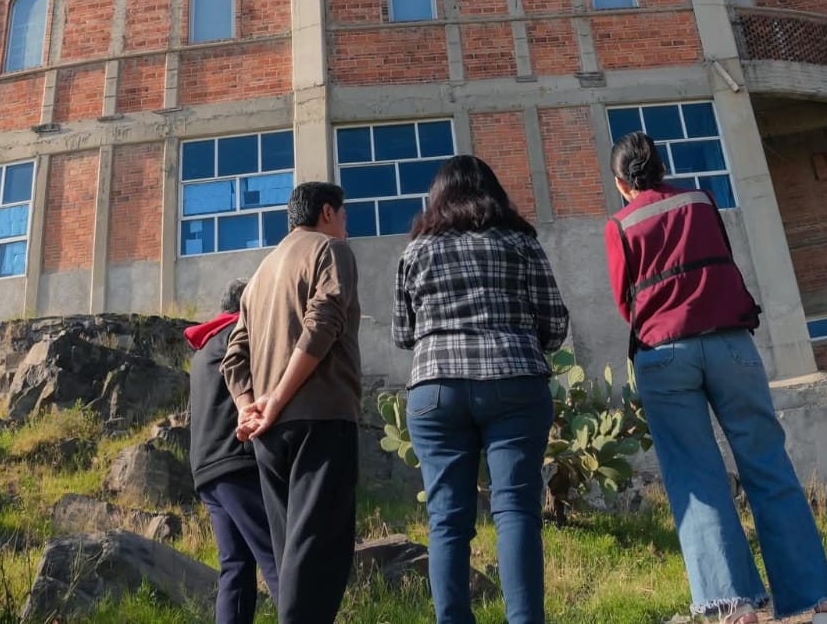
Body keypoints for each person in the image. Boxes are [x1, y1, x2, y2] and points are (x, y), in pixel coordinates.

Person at [605, 131, 827, 624]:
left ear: (620, 182)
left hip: (663, 353)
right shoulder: (701, 200)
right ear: (661, 168)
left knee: (696, 479)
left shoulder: (619, 224)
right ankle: (820, 603)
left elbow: (624, 300)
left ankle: (734, 608)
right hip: (729, 344)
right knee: (768, 467)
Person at [394, 155, 570, 624]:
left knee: (447, 520)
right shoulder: (520, 242)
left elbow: (403, 333)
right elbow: (554, 327)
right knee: (515, 511)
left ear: (436, 198)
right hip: (514, 381)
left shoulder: (415, 251)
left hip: (435, 391)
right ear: (494, 193)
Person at [221, 181, 362, 624]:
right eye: (342, 216)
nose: (344, 226)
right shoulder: (329, 250)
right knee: (320, 554)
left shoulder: (259, 274)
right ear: (326, 212)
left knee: (291, 559)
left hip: (269, 436)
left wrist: (250, 406)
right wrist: (278, 398)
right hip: (321, 418)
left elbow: (233, 354)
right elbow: (325, 322)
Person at [185, 278, 280, 624]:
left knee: (236, 568)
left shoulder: (202, 351)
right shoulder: (237, 338)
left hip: (207, 473)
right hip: (238, 465)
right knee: (278, 560)